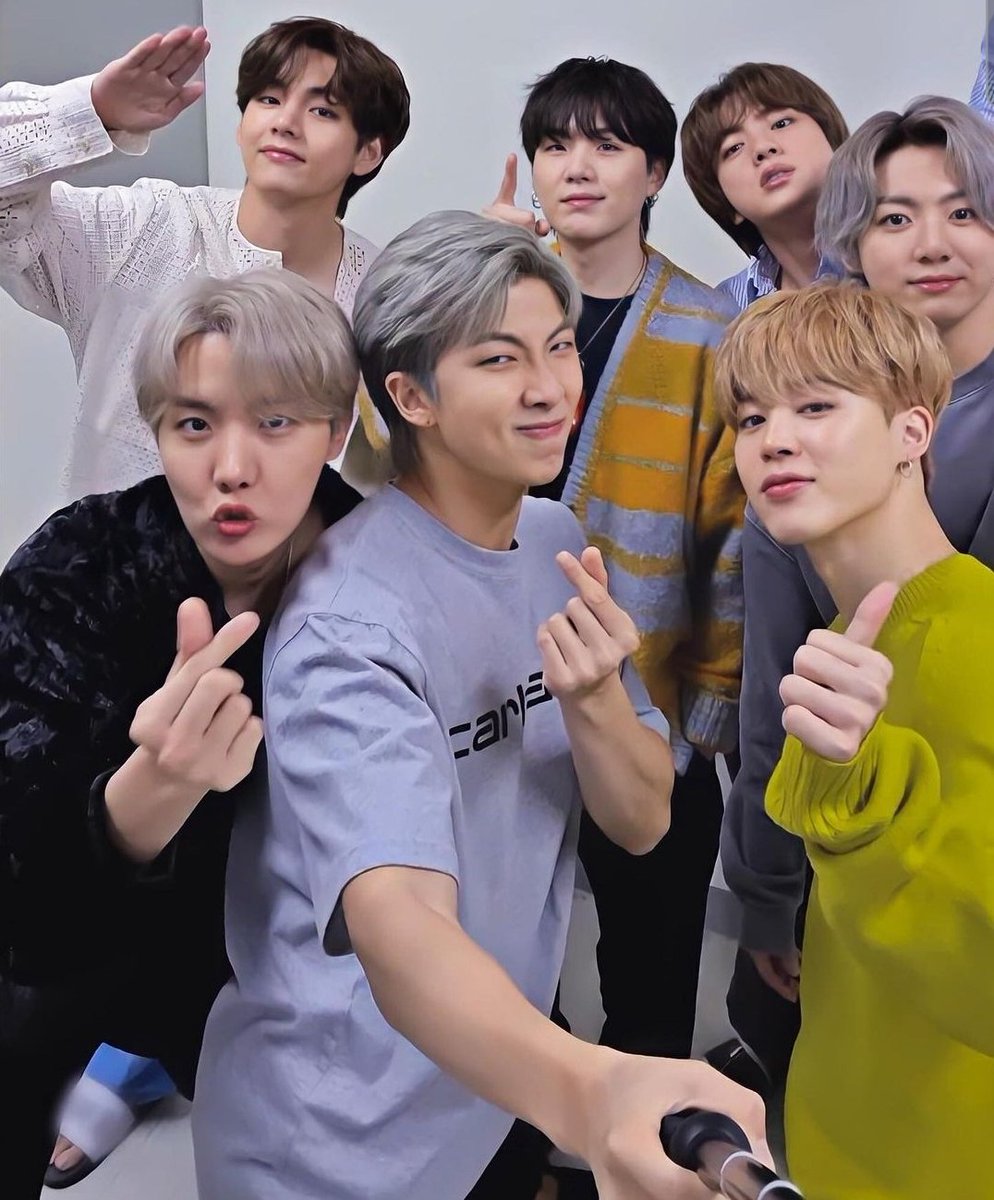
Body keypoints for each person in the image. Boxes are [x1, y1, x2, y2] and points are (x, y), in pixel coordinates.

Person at [192, 211, 767, 1200]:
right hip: (333, 1138)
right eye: (499, 359)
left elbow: (641, 821)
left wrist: (593, 698)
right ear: (410, 395)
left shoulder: (551, 541)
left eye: (558, 346)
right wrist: (592, 1094)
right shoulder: (350, 621)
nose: (549, 387)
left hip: (489, 1089)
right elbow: (398, 924)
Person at [0, 268, 362, 1199]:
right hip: (78, 939)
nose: (231, 467)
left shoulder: (378, 572)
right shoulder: (81, 563)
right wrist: (152, 790)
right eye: (194, 425)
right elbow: (23, 889)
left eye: (275, 422)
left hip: (287, 956)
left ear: (337, 430)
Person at [480, 55, 743, 1109]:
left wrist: (705, 716)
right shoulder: (485, 305)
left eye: (606, 144)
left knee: (650, 971)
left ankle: (645, 1149)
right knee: (501, 959)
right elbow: (382, 445)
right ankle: (525, 1144)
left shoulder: (709, 331)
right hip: (496, 699)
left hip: (646, 705)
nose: (576, 167)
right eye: (554, 145)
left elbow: (733, 537)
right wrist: (468, 271)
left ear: (654, 175)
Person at [714, 279, 994, 1198]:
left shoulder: (976, 641)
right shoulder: (840, 644)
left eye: (815, 407)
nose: (773, 440)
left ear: (912, 432)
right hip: (839, 1136)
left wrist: (867, 807)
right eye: (751, 418)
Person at [0, 16, 409, 499]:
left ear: (368, 153)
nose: (284, 122)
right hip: (116, 544)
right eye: (269, 99)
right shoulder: (144, 228)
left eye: (322, 111)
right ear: (242, 125)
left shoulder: (386, 299)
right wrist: (91, 111)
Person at [681, 62, 849, 307]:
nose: (762, 148)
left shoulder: (898, 256)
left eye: (781, 123)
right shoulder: (724, 312)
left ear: (830, 138)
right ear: (724, 201)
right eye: (734, 148)